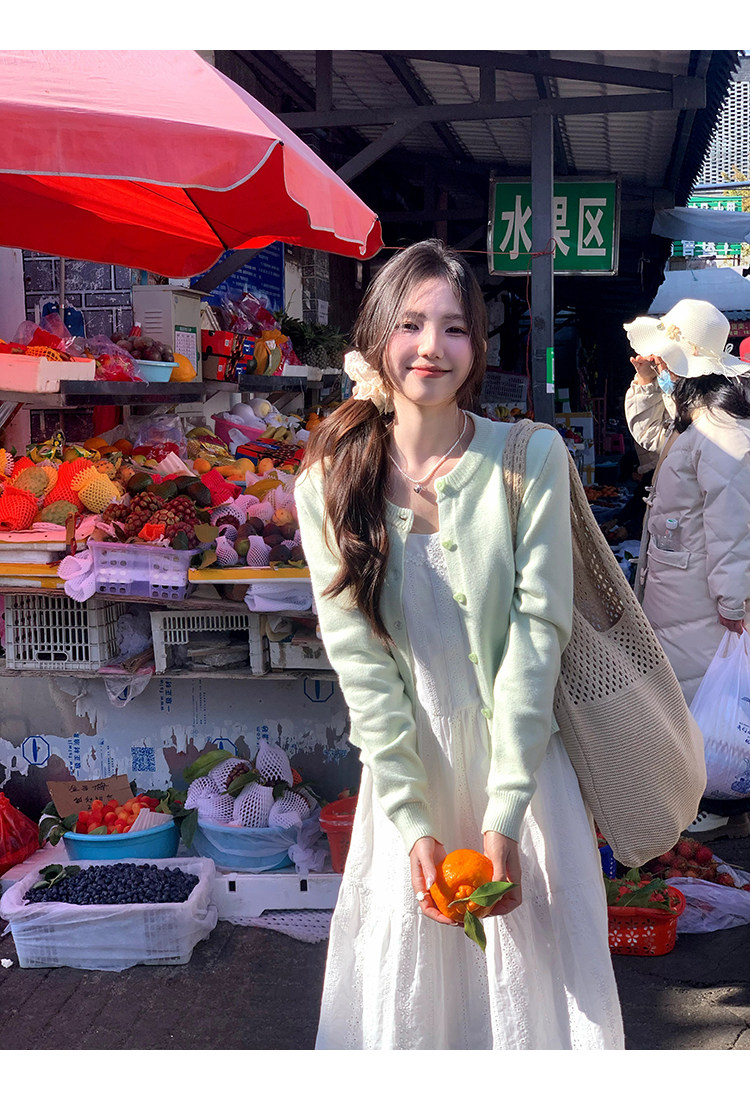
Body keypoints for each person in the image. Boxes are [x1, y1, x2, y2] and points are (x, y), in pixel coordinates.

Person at [294, 239, 624, 1050]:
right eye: (411, 324)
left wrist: (505, 813)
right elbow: (361, 667)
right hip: (407, 782)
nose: (431, 348)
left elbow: (538, 639)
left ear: (477, 345)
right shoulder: (328, 483)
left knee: (538, 1004)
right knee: (413, 1007)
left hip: (526, 774)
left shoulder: (530, 459)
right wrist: (413, 822)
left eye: (454, 327)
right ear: (378, 337)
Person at [624, 297, 750, 843]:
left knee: (702, 699)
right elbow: (653, 437)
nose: (658, 363)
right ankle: (709, 798)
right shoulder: (696, 417)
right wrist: (645, 384)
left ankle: (716, 803)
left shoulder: (721, 428)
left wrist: (732, 599)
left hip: (701, 595)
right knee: (690, 695)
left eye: (664, 359)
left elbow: (734, 524)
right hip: (683, 588)